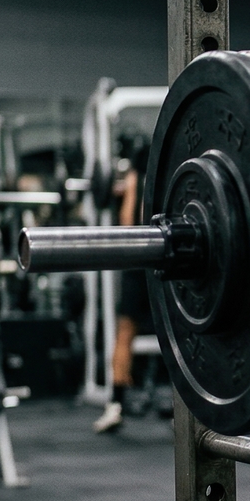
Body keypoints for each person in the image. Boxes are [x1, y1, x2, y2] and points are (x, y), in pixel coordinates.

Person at [95, 142, 154, 434]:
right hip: (163, 263)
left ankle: (115, 405)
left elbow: (127, 222)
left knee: (125, 335)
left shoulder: (135, 178)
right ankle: (188, 410)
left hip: (136, 263)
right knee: (179, 339)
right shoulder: (168, 178)